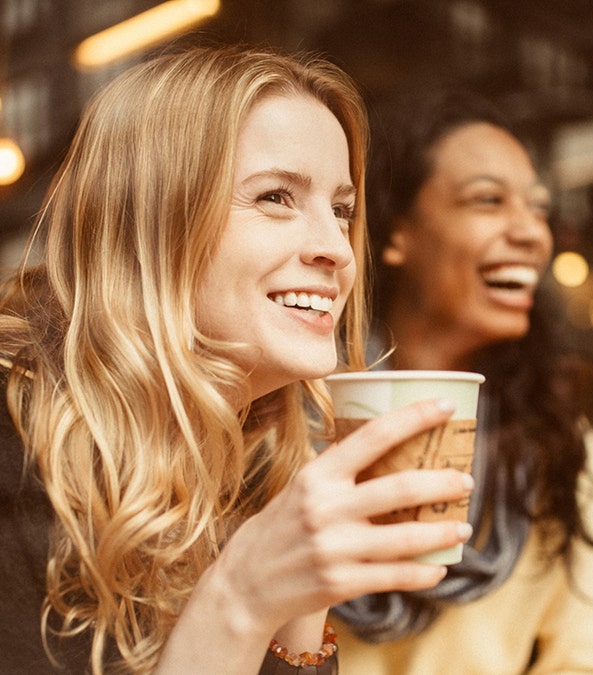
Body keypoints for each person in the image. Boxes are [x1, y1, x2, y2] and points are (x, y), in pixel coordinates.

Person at [0, 46, 477, 674]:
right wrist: (242, 598)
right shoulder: (16, 453)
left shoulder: (257, 469)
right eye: (277, 197)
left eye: (341, 210)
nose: (336, 248)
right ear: (154, 221)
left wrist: (301, 606)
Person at [331, 93, 593, 672]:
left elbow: (579, 656)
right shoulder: (288, 418)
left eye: (537, 208)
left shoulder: (559, 441)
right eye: (488, 200)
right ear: (397, 231)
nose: (533, 233)